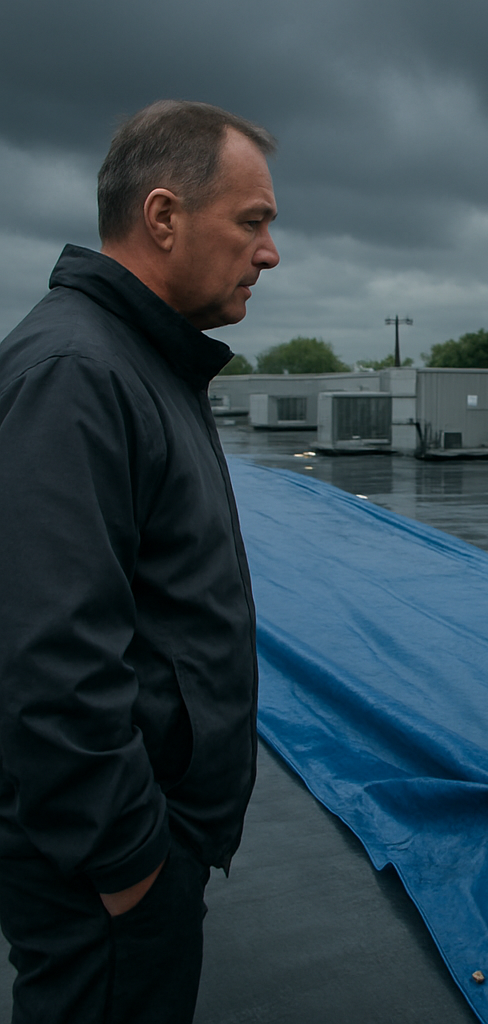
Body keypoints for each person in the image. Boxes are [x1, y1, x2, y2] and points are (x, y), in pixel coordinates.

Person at [0, 100, 279, 1022]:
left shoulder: (139, 361)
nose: (269, 253)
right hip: (108, 876)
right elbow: (52, 654)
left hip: (139, 852)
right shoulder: (78, 373)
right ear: (163, 217)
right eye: (253, 222)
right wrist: (132, 868)